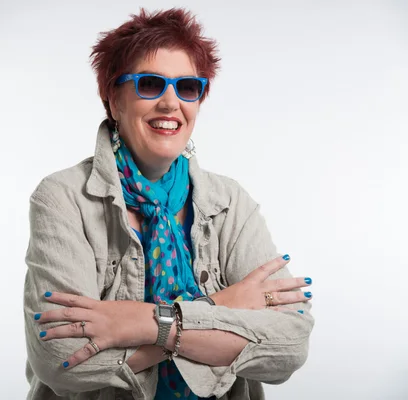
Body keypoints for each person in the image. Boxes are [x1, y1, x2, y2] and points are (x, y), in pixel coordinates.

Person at [23, 8, 314, 400]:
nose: (170, 102)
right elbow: (61, 359)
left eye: (187, 87)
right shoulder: (63, 198)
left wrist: (147, 323)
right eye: (149, 84)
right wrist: (221, 306)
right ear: (113, 98)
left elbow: (289, 347)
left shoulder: (230, 202)